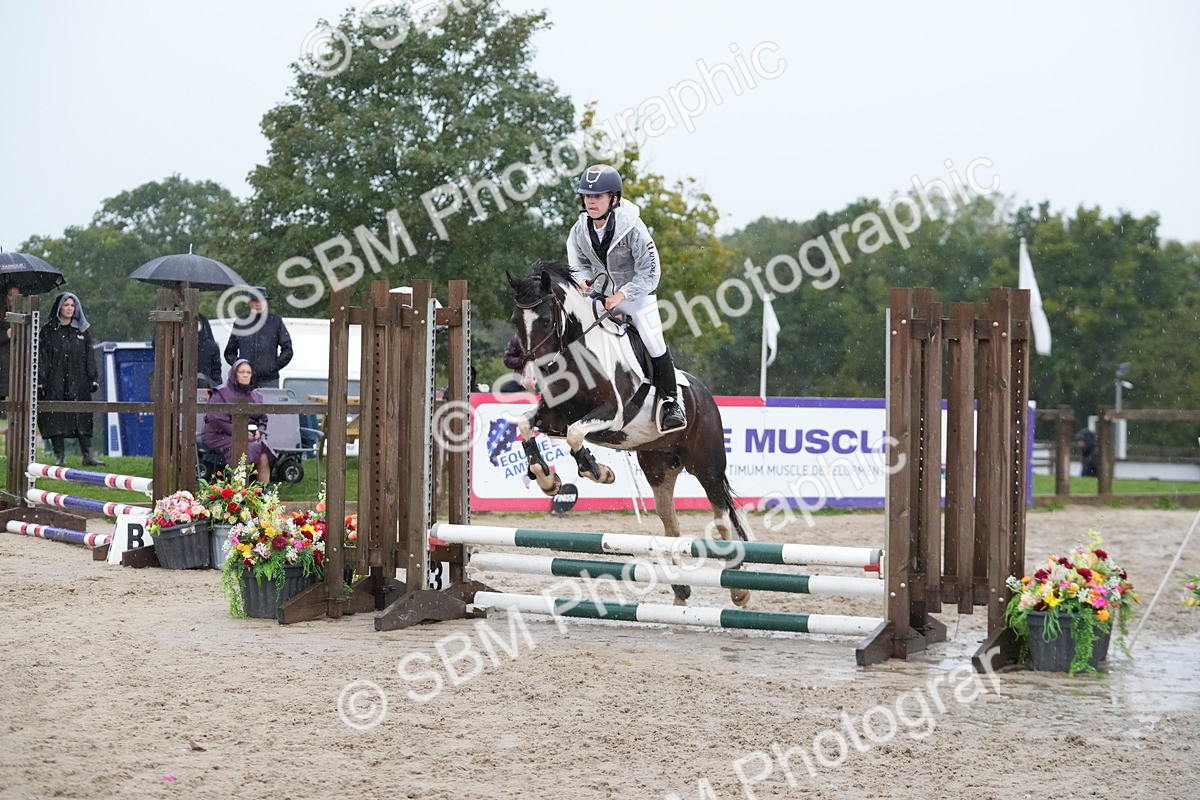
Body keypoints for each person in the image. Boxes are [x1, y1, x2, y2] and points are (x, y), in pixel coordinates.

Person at [566, 164, 685, 432]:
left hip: (636, 295)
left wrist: (622, 295)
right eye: (587, 196)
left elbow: (650, 273)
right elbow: (578, 266)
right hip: (600, 295)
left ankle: (670, 403)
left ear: (614, 198)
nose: (591, 201)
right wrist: (583, 281)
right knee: (572, 327)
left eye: (598, 196)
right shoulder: (579, 231)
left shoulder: (633, 228)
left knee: (653, 341)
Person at [38, 292, 104, 466]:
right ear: (59, 307)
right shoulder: (48, 331)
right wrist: (41, 381)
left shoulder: (81, 331)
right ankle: (59, 457)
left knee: (82, 415)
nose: (69, 308)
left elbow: (89, 356)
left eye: (72, 305)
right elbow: (43, 357)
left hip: (79, 380)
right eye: (66, 305)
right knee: (55, 416)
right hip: (55, 381)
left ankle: (87, 455)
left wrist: (92, 378)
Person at [202, 359, 276, 482]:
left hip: (249, 436)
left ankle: (263, 489)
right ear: (234, 374)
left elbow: (263, 419)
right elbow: (216, 419)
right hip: (220, 435)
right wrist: (241, 433)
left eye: (248, 372)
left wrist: (259, 431)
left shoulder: (256, 396)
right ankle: (239, 488)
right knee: (242, 448)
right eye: (241, 372)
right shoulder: (220, 393)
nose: (245, 375)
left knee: (263, 450)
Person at [223, 287, 293, 389]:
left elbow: (288, 349)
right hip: (245, 380)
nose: (258, 304)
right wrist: (241, 367)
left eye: (261, 300)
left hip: (270, 380)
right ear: (249, 303)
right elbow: (229, 352)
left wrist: (274, 366)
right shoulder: (240, 322)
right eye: (255, 301)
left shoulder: (276, 322)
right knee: (242, 400)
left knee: (270, 400)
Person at [0, 283, 20, 402]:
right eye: (11, 294)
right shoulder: (2, 314)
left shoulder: (21, 315)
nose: (14, 298)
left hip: (16, 363)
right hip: (3, 364)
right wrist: (5, 335)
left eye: (17, 294)